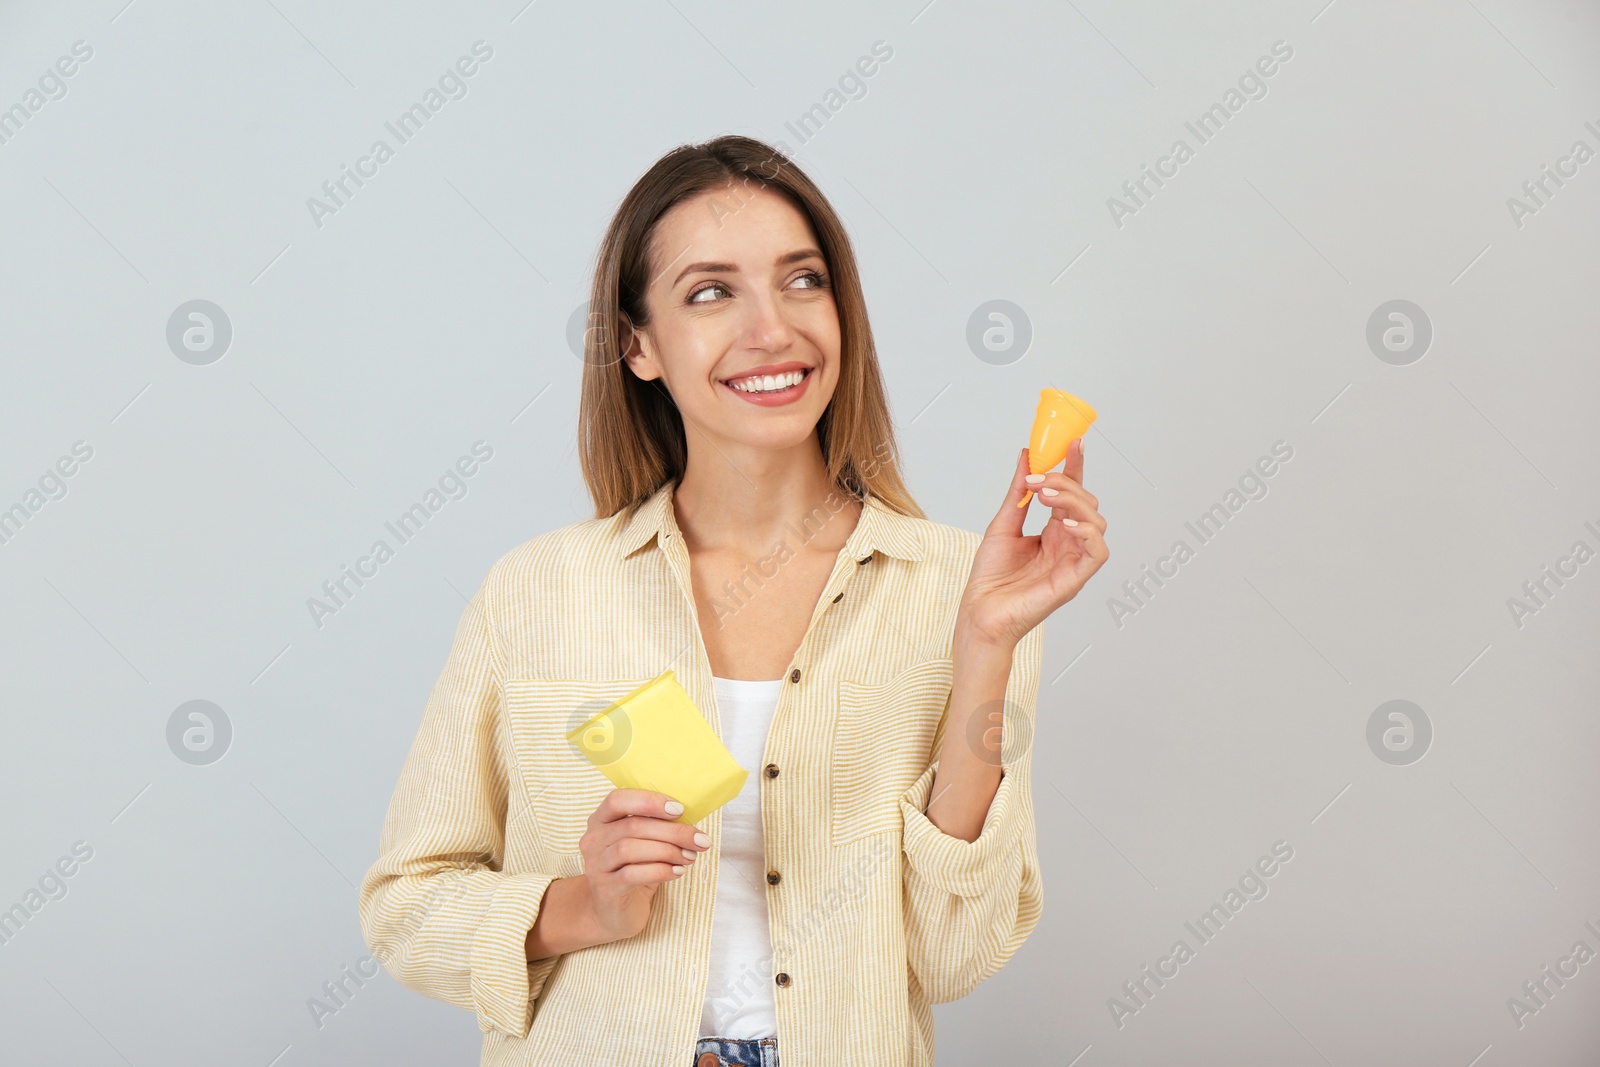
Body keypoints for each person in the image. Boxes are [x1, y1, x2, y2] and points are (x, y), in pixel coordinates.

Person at [357, 134, 1108, 1067]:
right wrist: (581, 905)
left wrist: (987, 644)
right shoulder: (537, 592)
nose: (773, 331)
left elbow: (954, 953)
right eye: (711, 291)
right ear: (637, 346)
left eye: (803, 281)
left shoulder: (964, 592)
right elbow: (404, 906)